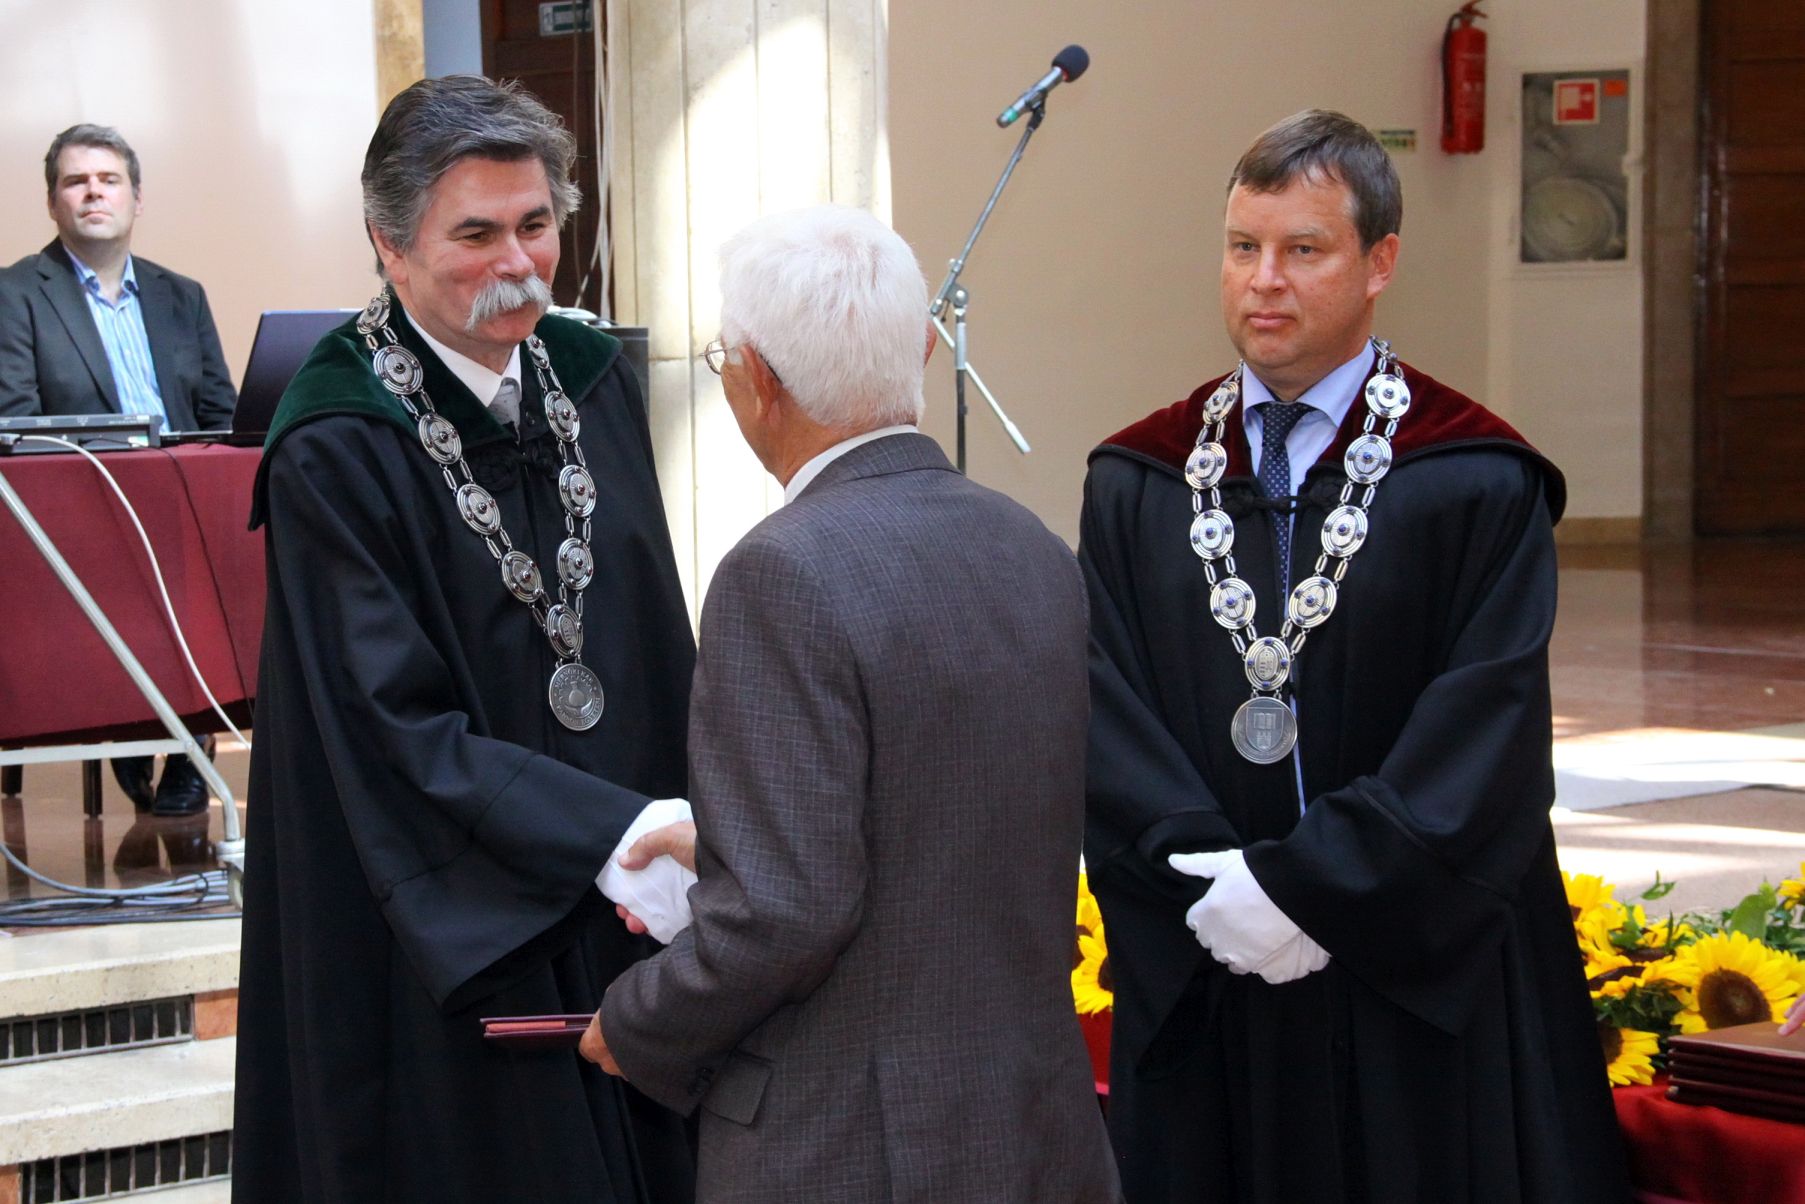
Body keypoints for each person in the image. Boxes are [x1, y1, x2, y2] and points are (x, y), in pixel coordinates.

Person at [1079, 110, 1629, 1201]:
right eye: (1243, 246)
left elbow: (1485, 729)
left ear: (1379, 262)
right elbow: (1103, 705)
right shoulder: (1137, 481)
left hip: (1409, 972)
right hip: (1211, 940)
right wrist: (1212, 878)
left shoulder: (1474, 479)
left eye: (1303, 249)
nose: (1263, 281)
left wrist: (1313, 887)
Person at [579, 204, 1120, 1203]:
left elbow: (783, 915)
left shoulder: (778, 572)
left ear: (757, 379)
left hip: (852, 1146)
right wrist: (732, 844)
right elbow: (955, 823)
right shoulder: (1031, 546)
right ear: (924, 350)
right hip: (1035, 1127)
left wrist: (640, 1018)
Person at [231, 76, 697, 1203]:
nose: (518, 264)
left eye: (536, 225)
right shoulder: (336, 439)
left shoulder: (593, 380)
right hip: (444, 919)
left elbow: (649, 634)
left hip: (627, 888)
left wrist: (680, 821)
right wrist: (603, 829)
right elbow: (384, 722)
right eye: (476, 236)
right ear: (389, 246)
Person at [0, 124, 239, 815]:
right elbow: (14, 421)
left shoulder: (181, 295)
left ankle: (194, 744)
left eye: (109, 180)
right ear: (53, 202)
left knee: (230, 550)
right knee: (137, 566)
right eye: (76, 181)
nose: (93, 193)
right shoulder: (16, 293)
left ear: (137, 199)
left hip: (180, 503)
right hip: (77, 510)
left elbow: (220, 413)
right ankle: (132, 727)